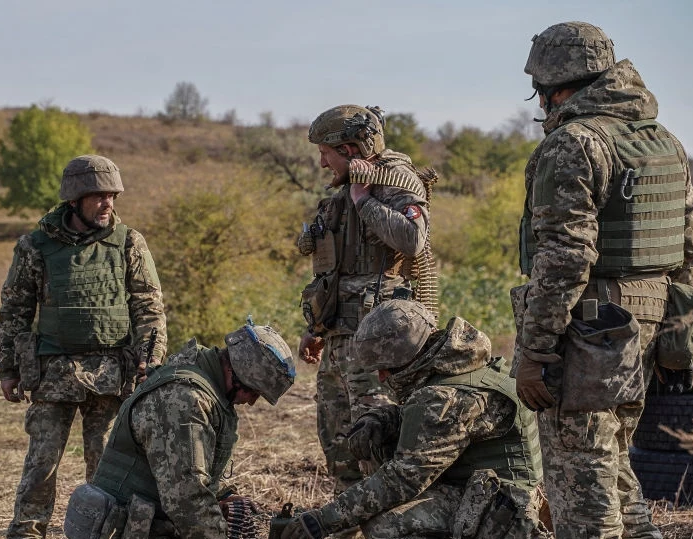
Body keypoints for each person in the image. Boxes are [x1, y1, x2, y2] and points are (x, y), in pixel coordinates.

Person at [513, 21, 693, 539]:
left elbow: (564, 258)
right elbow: (692, 250)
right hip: (650, 319)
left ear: (551, 87)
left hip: (589, 328)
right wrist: (679, 337)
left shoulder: (574, 143)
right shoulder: (662, 140)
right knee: (612, 457)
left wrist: (534, 352)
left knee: (580, 475)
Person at [0, 154, 167, 539]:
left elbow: (149, 308)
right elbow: (14, 311)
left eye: (112, 196)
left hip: (111, 375)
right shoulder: (35, 246)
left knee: (107, 471)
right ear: (74, 200)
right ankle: (27, 532)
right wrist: (7, 370)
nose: (108, 204)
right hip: (52, 376)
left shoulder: (129, 243)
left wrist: (150, 365)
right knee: (41, 466)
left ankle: (106, 534)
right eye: (99, 197)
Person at [282, 300, 547, 539]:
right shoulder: (462, 361)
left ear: (406, 360)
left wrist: (321, 521)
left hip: (503, 511)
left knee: (384, 525)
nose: (383, 378)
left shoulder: (442, 398)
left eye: (385, 369)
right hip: (494, 490)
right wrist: (385, 418)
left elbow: (402, 480)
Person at [296, 104, 435, 495]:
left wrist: (365, 200)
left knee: (375, 445)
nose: (323, 163)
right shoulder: (344, 189)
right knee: (339, 448)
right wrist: (317, 328)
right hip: (341, 336)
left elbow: (413, 239)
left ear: (353, 149)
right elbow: (334, 269)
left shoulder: (393, 180)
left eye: (327, 152)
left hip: (379, 342)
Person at [63, 321, 297, 538]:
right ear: (238, 374)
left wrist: (225, 496)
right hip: (125, 529)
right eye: (253, 391)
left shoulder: (202, 378)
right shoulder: (184, 399)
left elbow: (191, 470)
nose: (252, 402)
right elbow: (187, 499)